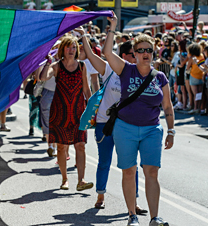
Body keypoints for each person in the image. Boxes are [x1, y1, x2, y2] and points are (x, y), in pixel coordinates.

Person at [103, 12, 174, 226]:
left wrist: (171, 130)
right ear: (133, 53)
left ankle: (154, 218)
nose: (145, 53)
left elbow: (167, 106)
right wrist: (113, 27)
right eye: (140, 50)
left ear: (153, 53)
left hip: (152, 129)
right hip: (125, 128)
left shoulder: (160, 77)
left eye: (148, 50)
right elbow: (107, 52)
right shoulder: (126, 69)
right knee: (129, 171)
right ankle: (132, 215)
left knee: (151, 171)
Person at [77, 27, 148, 214]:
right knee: (104, 161)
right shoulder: (109, 69)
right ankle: (100, 195)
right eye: (134, 54)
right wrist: (84, 35)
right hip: (104, 124)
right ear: (125, 55)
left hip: (127, 125)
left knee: (131, 164)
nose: (137, 58)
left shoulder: (139, 74)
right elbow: (91, 56)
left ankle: (135, 202)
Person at [39, 35, 93, 191]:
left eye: (74, 47)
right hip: (59, 112)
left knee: (81, 146)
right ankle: (64, 179)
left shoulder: (82, 66)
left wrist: (92, 110)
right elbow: (43, 77)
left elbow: (86, 90)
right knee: (62, 147)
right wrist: (48, 62)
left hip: (78, 112)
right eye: (69, 47)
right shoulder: (56, 66)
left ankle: (81, 180)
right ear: (63, 49)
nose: (72, 50)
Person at [186, 43, 205, 114]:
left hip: (193, 77)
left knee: (195, 94)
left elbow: (188, 67)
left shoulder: (191, 58)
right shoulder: (202, 56)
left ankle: (195, 108)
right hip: (201, 76)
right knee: (200, 93)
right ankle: (200, 108)